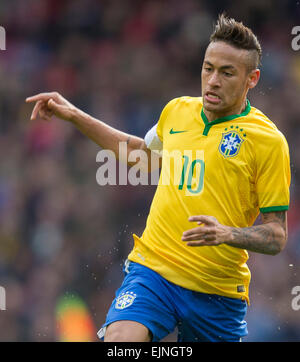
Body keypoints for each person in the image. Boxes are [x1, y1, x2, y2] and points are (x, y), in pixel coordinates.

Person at [26, 14, 290, 342]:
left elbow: (276, 235)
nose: (213, 81)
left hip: (217, 292)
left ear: (252, 78)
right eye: (208, 68)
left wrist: (227, 233)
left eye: (227, 73)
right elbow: (143, 156)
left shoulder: (268, 141)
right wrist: (75, 115)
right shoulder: (177, 111)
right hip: (154, 271)